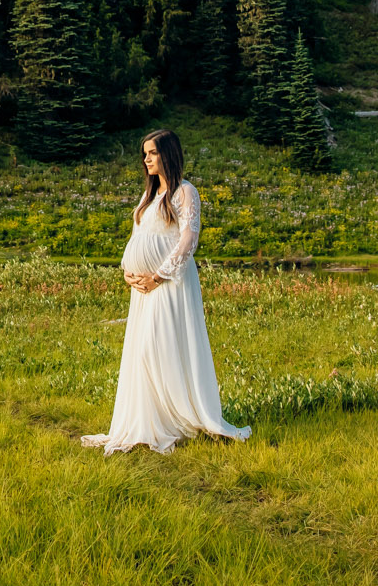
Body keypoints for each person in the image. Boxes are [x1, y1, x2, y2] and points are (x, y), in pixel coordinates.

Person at [82, 127, 251, 454]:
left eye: (152, 153)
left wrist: (158, 276)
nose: (145, 159)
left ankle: (178, 418)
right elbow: (137, 237)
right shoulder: (149, 196)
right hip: (142, 289)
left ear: (168, 155)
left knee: (159, 347)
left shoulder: (185, 192)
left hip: (169, 285)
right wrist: (129, 272)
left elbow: (188, 240)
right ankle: (148, 419)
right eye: (145, 153)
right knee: (141, 352)